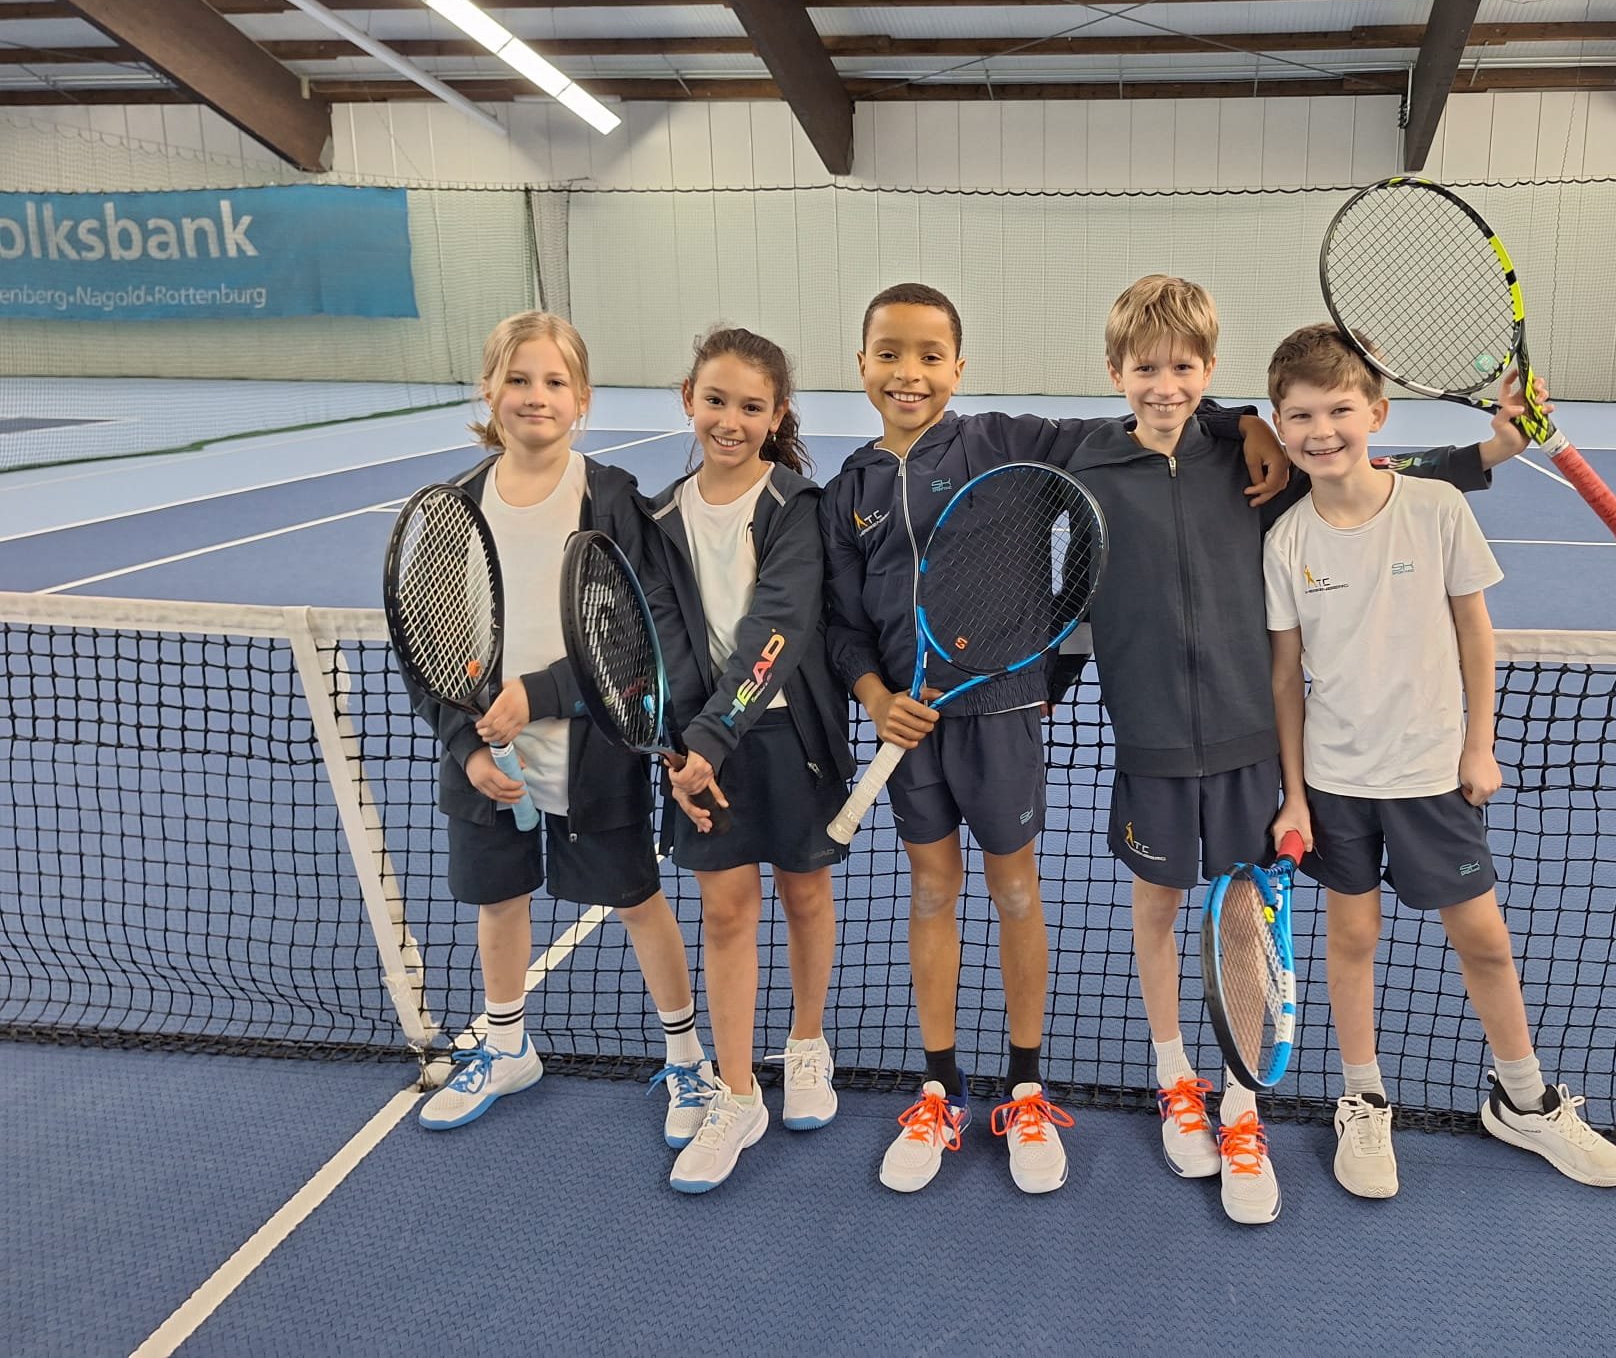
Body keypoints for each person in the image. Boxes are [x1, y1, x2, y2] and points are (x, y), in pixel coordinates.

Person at [1068, 276, 1522, 1223]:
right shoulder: (1089, 469)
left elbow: (1365, 469)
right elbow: (1070, 594)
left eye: (1184, 367)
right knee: (1157, 910)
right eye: (1145, 368)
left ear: (1209, 369)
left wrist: (1491, 450)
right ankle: (1175, 1080)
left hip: (1251, 749)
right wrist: (1031, 690)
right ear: (1115, 371)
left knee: (1244, 919)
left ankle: (1241, 1106)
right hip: (1149, 741)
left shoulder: (1254, 463)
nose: (1164, 385)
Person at [821, 281, 1288, 1196]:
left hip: (1002, 716)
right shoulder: (849, 491)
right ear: (862, 363)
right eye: (890, 354)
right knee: (930, 893)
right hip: (909, 726)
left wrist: (1244, 422)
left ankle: (1027, 1089)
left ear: (959, 366)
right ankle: (940, 1088)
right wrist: (874, 695)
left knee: (1017, 894)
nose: (909, 373)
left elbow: (1147, 421)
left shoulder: (1010, 442)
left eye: (930, 356)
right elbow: (841, 623)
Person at [1261, 323, 1616, 1197]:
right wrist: (1294, 795)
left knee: (1484, 941)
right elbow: (1284, 676)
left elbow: (1475, 630)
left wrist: (1479, 743)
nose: (1322, 430)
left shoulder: (1435, 508)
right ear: (1279, 427)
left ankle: (1525, 1099)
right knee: (1352, 938)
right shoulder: (1287, 540)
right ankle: (1363, 1099)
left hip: (1431, 775)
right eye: (1300, 416)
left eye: (1339, 410)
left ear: (1377, 414)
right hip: (1334, 782)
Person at [404, 310, 703, 1137]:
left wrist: (540, 693)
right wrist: (465, 747)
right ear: (489, 390)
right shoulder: (455, 507)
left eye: (554, 381)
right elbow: (427, 642)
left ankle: (687, 1058)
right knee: (499, 900)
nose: (536, 396)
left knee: (638, 899)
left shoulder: (611, 498)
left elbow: (640, 636)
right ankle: (507, 1047)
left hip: (594, 749)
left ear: (583, 399)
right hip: (488, 755)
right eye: (519, 379)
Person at [634, 326, 854, 1193]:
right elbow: (665, 642)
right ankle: (736, 1092)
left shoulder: (797, 506)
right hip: (702, 746)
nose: (730, 420)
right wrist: (686, 749)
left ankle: (806, 1043)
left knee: (805, 894)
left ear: (778, 415)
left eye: (751, 407)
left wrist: (711, 737)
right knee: (726, 914)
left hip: (789, 738)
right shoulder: (658, 518)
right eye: (716, 400)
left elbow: (778, 628)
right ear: (688, 398)